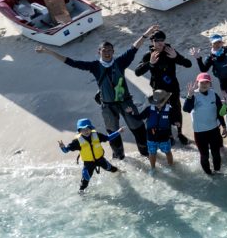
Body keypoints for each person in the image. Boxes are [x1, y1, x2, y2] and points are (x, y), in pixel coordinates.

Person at [36, 24, 159, 159]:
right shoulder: (95, 66)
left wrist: (147, 33)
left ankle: (146, 153)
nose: (107, 52)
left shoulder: (120, 62)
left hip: (126, 103)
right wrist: (49, 52)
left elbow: (134, 48)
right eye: (104, 50)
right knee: (113, 133)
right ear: (99, 52)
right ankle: (119, 157)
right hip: (108, 106)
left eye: (110, 50)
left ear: (113, 51)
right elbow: (72, 62)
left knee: (138, 128)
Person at [134, 29, 192, 145]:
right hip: (158, 90)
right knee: (163, 112)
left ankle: (179, 133)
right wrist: (150, 63)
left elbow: (188, 64)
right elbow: (137, 72)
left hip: (173, 87)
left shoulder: (170, 51)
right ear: (152, 41)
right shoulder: (149, 55)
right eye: (157, 41)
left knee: (176, 110)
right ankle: (169, 134)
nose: (160, 43)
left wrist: (176, 57)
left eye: (162, 40)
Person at [58, 119, 122, 193]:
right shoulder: (77, 142)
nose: (86, 131)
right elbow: (66, 150)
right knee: (85, 178)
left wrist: (118, 132)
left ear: (91, 128)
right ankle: (81, 192)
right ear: (79, 131)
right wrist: (63, 147)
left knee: (111, 168)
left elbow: (108, 138)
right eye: (83, 130)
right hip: (88, 163)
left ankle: (121, 173)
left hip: (100, 159)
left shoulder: (97, 135)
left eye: (87, 129)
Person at [183, 73, 226, 176]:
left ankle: (217, 171)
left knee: (216, 153)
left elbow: (219, 112)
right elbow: (186, 109)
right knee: (204, 155)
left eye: (207, 82)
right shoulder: (194, 95)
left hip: (214, 129)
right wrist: (189, 96)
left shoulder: (213, 94)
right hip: (200, 132)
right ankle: (209, 174)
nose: (204, 84)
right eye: (202, 82)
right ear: (197, 83)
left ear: (210, 84)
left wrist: (224, 126)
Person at [135, 89, 176, 174]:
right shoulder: (149, 109)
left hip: (164, 137)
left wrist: (176, 123)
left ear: (165, 101)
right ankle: (153, 168)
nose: (158, 105)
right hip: (151, 137)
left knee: (168, 152)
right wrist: (131, 112)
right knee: (152, 153)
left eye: (160, 103)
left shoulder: (170, 110)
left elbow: (173, 120)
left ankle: (171, 166)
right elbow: (139, 117)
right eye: (156, 103)